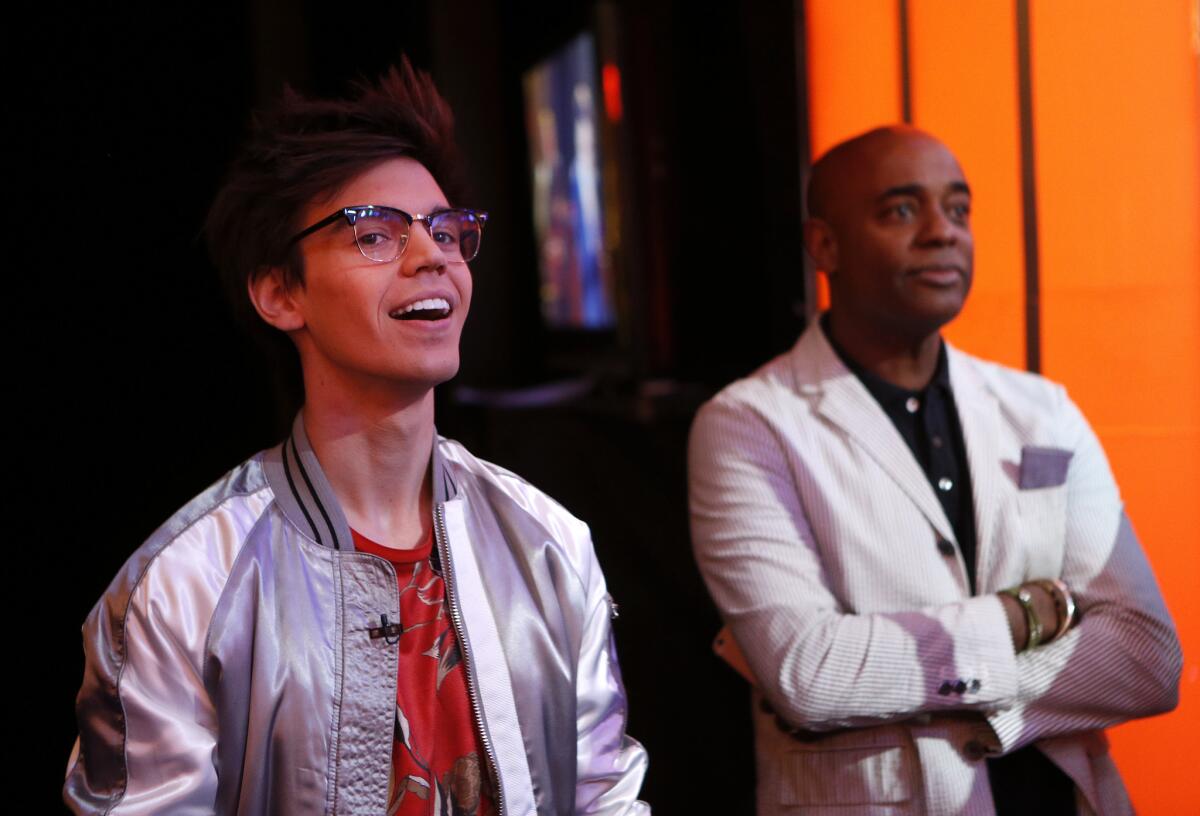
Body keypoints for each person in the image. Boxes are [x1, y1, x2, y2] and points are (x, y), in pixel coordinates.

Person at [64, 61, 650, 816]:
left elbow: (604, 796)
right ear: (281, 293)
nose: (430, 255)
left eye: (446, 230)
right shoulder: (188, 582)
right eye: (375, 235)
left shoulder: (549, 545)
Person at [688, 125, 1180, 815]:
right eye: (900, 210)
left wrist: (985, 713)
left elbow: (1147, 659)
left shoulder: (1042, 410)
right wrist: (1034, 613)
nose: (942, 233)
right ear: (824, 244)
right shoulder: (749, 424)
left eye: (958, 209)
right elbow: (810, 672)